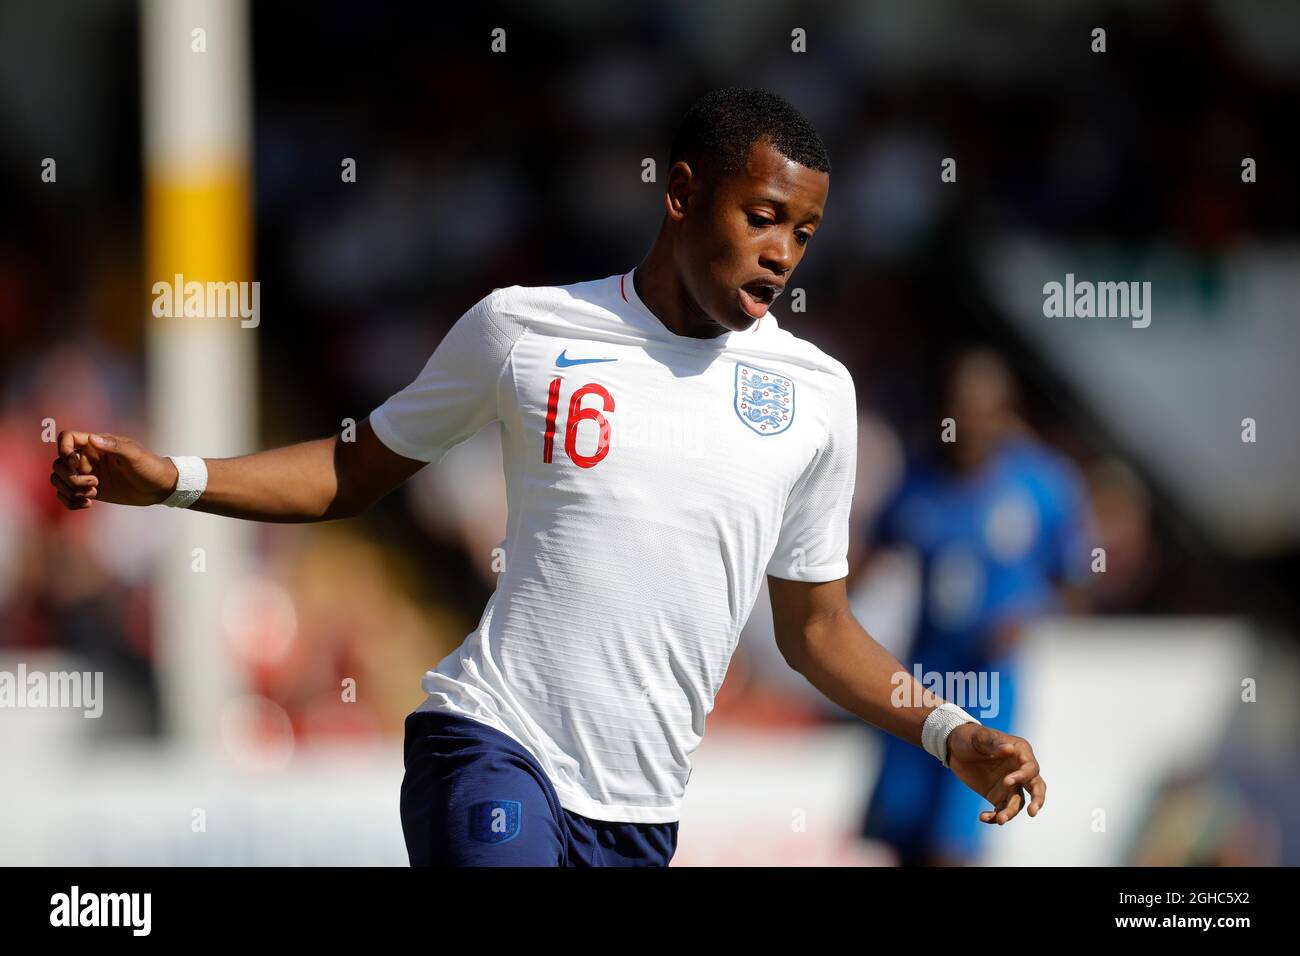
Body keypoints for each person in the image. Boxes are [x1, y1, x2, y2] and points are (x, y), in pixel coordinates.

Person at [48, 88, 1045, 867]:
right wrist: (171, 477)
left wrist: (951, 730)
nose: (782, 251)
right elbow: (352, 473)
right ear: (683, 191)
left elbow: (818, 628)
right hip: (491, 743)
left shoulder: (817, 395)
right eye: (762, 216)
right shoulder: (524, 329)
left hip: (638, 814)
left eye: (804, 233)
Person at [857, 348, 1088, 866]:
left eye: (981, 409)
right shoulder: (918, 481)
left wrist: (1028, 613)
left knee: (954, 842)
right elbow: (866, 562)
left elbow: (1075, 581)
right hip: (917, 682)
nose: (967, 423)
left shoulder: (1042, 485)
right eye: (956, 409)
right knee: (902, 838)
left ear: (1005, 412)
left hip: (987, 686)